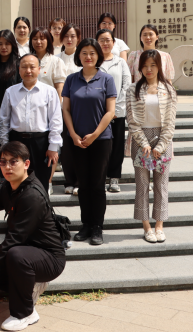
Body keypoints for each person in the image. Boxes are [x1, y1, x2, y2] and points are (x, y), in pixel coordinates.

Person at [0, 141, 66, 331]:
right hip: (26, 250)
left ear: (26, 164)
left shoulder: (31, 195)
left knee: (15, 256)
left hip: (49, 258)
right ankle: (28, 288)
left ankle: (25, 313)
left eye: (13, 162)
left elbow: (14, 239)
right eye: (3, 162)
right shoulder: (11, 186)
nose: (7, 167)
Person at [62, 38, 117, 246]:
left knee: (97, 184)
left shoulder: (106, 79)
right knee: (83, 185)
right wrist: (73, 134)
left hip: (100, 140)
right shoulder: (71, 80)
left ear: (98, 56)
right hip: (76, 141)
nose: (88, 57)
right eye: (84, 52)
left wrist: (94, 134)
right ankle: (85, 225)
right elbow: (66, 109)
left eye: (92, 53)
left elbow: (110, 112)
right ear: (79, 56)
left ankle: (97, 227)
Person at [127, 50, 178, 244]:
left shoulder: (169, 89)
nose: (149, 69)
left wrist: (162, 144)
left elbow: (171, 122)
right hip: (141, 140)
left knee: (161, 185)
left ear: (159, 67)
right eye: (145, 66)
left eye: (153, 65)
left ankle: (159, 226)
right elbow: (132, 121)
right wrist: (144, 143)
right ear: (140, 67)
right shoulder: (133, 90)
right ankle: (146, 227)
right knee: (142, 185)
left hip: (163, 139)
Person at [0, 54, 62, 190]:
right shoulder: (10, 92)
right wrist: (5, 146)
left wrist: (53, 146)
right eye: (24, 67)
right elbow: (4, 121)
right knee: (17, 184)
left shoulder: (49, 91)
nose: (28, 70)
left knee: (41, 183)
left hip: (41, 144)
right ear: (19, 69)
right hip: (17, 141)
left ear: (39, 69)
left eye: (32, 67)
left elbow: (56, 121)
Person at [29, 27, 67, 195]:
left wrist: (56, 110)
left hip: (49, 110)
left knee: (50, 148)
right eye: (35, 38)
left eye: (42, 38)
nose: (38, 42)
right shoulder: (27, 59)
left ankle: (48, 181)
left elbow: (59, 88)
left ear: (49, 41)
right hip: (30, 111)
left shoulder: (55, 61)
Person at [96, 29, 131, 194]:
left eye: (108, 40)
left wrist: (115, 108)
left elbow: (126, 85)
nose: (105, 43)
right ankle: (100, 177)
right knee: (100, 146)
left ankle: (114, 178)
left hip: (118, 112)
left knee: (117, 146)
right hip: (97, 113)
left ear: (113, 42)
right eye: (101, 40)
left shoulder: (120, 62)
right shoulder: (94, 62)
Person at [58, 23, 82, 194]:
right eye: (66, 36)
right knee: (66, 147)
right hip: (61, 109)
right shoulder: (56, 58)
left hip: (80, 108)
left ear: (78, 38)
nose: (69, 39)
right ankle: (69, 181)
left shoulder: (83, 57)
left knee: (79, 144)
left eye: (73, 36)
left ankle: (79, 181)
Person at [0, 30, 21, 127]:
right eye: (0, 44)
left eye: (7, 43)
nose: (3, 47)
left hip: (15, 112)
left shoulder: (19, 65)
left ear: (13, 45)